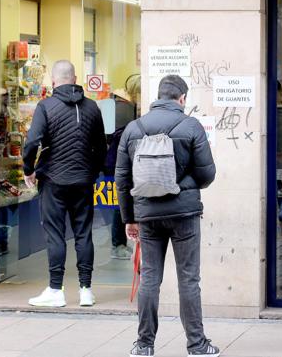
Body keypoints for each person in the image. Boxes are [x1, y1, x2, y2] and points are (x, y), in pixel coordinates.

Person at [115, 75, 219, 357]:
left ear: (158, 96)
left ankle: (144, 345)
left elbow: (122, 178)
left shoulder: (134, 129)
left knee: (149, 278)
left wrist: (129, 218)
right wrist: (185, 181)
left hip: (148, 214)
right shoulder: (191, 125)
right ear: (182, 98)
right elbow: (207, 174)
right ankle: (197, 345)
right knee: (189, 279)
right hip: (184, 212)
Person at [22, 60, 106, 307]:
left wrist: (29, 169)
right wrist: (92, 172)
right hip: (83, 181)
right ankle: (86, 290)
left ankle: (56, 290)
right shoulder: (92, 107)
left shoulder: (46, 106)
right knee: (83, 234)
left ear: (53, 81)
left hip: (53, 181)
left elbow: (31, 142)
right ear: (76, 77)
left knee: (55, 235)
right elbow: (101, 147)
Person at [103, 124, 132, 260]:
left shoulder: (121, 134)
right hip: (117, 174)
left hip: (114, 173)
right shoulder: (125, 135)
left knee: (119, 209)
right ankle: (118, 245)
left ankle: (120, 244)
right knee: (119, 209)